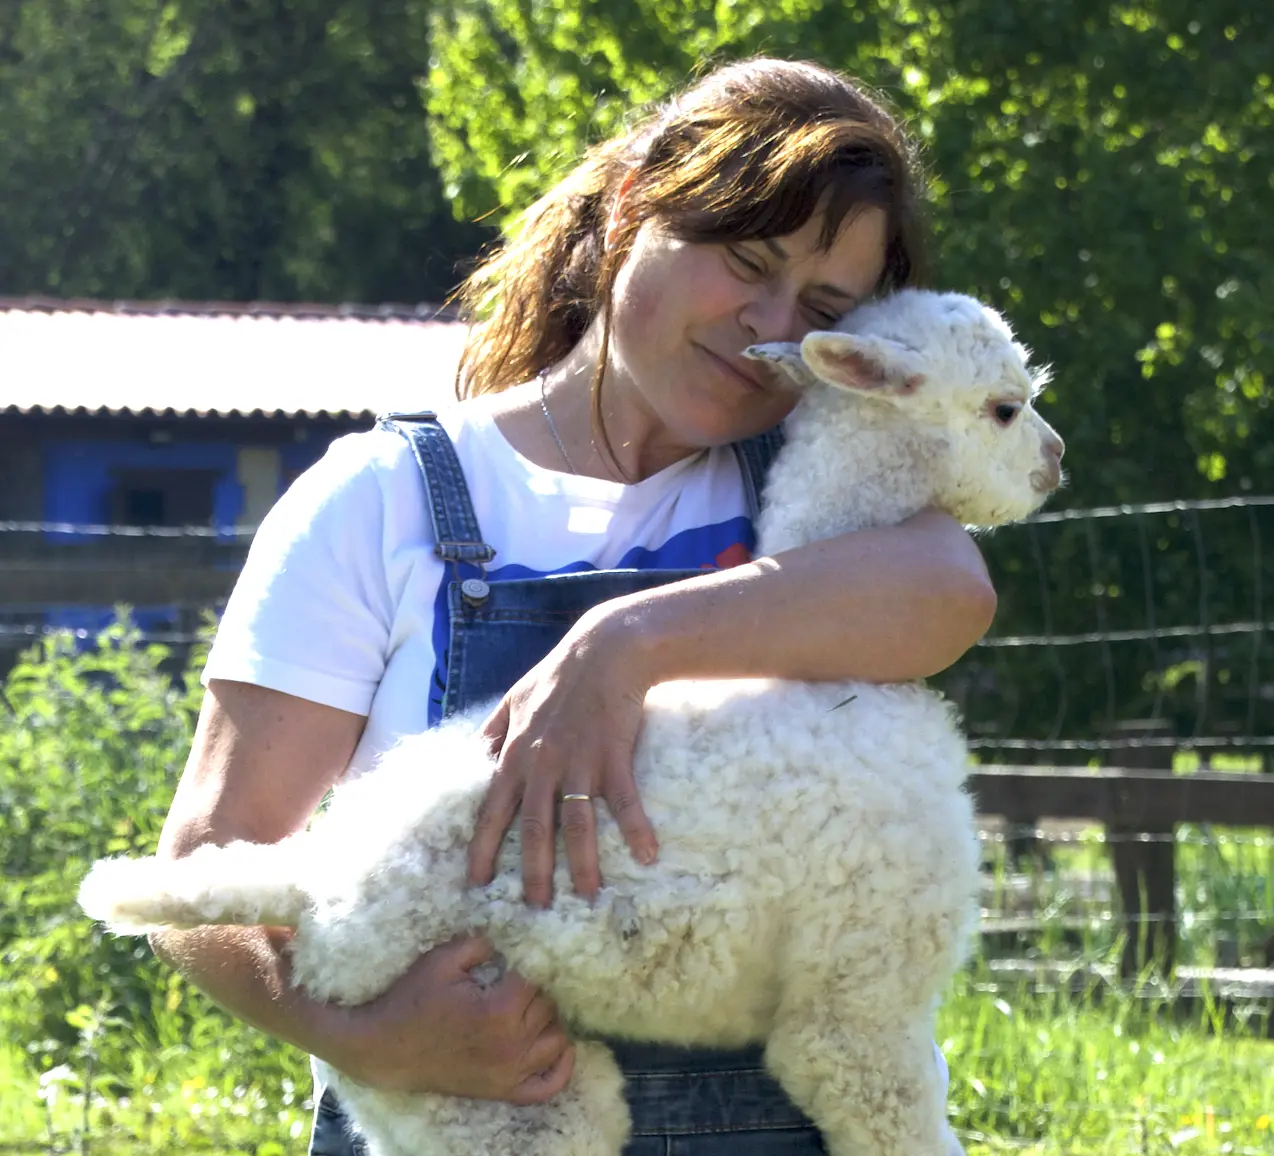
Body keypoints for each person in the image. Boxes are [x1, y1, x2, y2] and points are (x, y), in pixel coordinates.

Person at [149, 57, 996, 1155]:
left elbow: (950, 592)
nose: (768, 328)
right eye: (746, 260)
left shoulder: (816, 494)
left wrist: (625, 644)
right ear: (637, 201)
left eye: (820, 309)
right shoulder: (383, 499)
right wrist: (361, 1032)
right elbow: (206, 857)